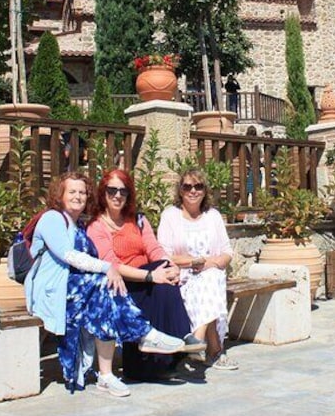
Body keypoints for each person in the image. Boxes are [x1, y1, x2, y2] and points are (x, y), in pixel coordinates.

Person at [24, 172, 188, 397]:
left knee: (104, 296)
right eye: (72, 191)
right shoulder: (52, 218)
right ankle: (142, 336)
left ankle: (108, 373)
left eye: (82, 192)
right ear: (60, 194)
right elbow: (68, 255)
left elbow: (152, 249)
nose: (78, 196)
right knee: (104, 286)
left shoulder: (75, 223)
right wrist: (107, 268)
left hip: (73, 289)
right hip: (51, 292)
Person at [87, 169, 204, 381]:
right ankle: (183, 335)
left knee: (164, 273)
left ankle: (176, 346)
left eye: (123, 191)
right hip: (122, 286)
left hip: (148, 279)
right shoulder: (96, 227)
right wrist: (150, 276)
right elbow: (112, 264)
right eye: (112, 190)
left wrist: (170, 266)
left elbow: (154, 249)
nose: (117, 195)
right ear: (103, 193)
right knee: (160, 279)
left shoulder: (138, 220)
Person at [157, 168, 239, 370]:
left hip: (210, 273)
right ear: (180, 191)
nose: (193, 191)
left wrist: (211, 263)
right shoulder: (170, 216)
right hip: (182, 276)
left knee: (210, 278)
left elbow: (227, 252)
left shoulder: (213, 216)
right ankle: (214, 349)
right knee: (209, 286)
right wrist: (193, 262)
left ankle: (197, 339)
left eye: (198, 186)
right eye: (187, 187)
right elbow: (163, 255)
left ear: (205, 190)